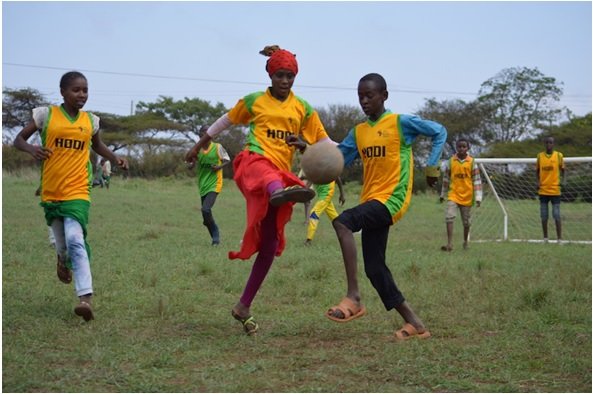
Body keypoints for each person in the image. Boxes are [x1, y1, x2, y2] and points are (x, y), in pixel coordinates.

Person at [185, 45, 331, 335]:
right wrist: (196, 146)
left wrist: (305, 145)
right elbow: (223, 122)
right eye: (280, 75)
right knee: (269, 176)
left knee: (268, 245)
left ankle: (244, 306)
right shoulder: (254, 101)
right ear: (270, 74)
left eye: (290, 75)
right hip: (253, 164)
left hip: (281, 174)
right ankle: (280, 191)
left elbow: (325, 143)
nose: (285, 81)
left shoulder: (302, 108)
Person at [326, 73, 447, 340]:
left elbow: (439, 131)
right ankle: (415, 324)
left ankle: (353, 297)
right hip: (371, 201)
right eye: (360, 96)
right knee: (375, 268)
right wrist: (309, 150)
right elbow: (337, 158)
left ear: (384, 95)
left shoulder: (400, 123)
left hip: (391, 200)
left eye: (369, 95)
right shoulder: (358, 132)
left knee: (343, 221)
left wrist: (433, 166)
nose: (364, 101)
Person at [14, 71, 128, 322]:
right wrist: (32, 148)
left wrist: (114, 158)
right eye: (76, 90)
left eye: (85, 90)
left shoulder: (91, 121)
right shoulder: (46, 115)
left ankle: (85, 297)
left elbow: (97, 146)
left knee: (76, 238)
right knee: (63, 245)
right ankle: (61, 259)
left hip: (78, 189)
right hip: (52, 191)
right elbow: (18, 139)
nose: (82, 95)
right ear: (63, 92)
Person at [187, 124, 231, 245]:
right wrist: (190, 165)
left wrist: (218, 167)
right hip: (203, 185)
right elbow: (191, 165)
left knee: (206, 209)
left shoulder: (217, 147)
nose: (207, 136)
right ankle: (209, 225)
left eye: (209, 133)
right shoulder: (197, 150)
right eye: (204, 133)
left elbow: (227, 160)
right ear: (200, 135)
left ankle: (215, 238)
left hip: (215, 183)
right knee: (206, 216)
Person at [439, 138, 482, 251]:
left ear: (468, 148)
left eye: (464, 146)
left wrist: (478, 197)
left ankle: (465, 242)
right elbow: (446, 179)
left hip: (467, 196)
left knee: (466, 222)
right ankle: (449, 244)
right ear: (456, 148)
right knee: (449, 217)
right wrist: (442, 194)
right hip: (453, 194)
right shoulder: (451, 161)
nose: (462, 148)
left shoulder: (472, 162)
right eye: (459, 146)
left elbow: (477, 180)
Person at [536, 136, 565, 242]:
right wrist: (537, 182)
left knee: (556, 214)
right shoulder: (540, 156)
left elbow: (563, 170)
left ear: (554, 144)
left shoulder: (558, 156)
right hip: (543, 191)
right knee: (544, 216)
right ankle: (545, 238)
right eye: (547, 142)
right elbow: (537, 171)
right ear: (545, 144)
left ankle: (559, 238)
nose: (549, 144)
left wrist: (563, 181)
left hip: (555, 190)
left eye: (551, 142)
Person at [304, 178, 345, 246]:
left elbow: (337, 178)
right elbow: (307, 185)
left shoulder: (327, 168)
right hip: (322, 196)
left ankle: (309, 240)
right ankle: (348, 230)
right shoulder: (313, 172)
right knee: (336, 219)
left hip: (327, 194)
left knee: (313, 213)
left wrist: (342, 194)